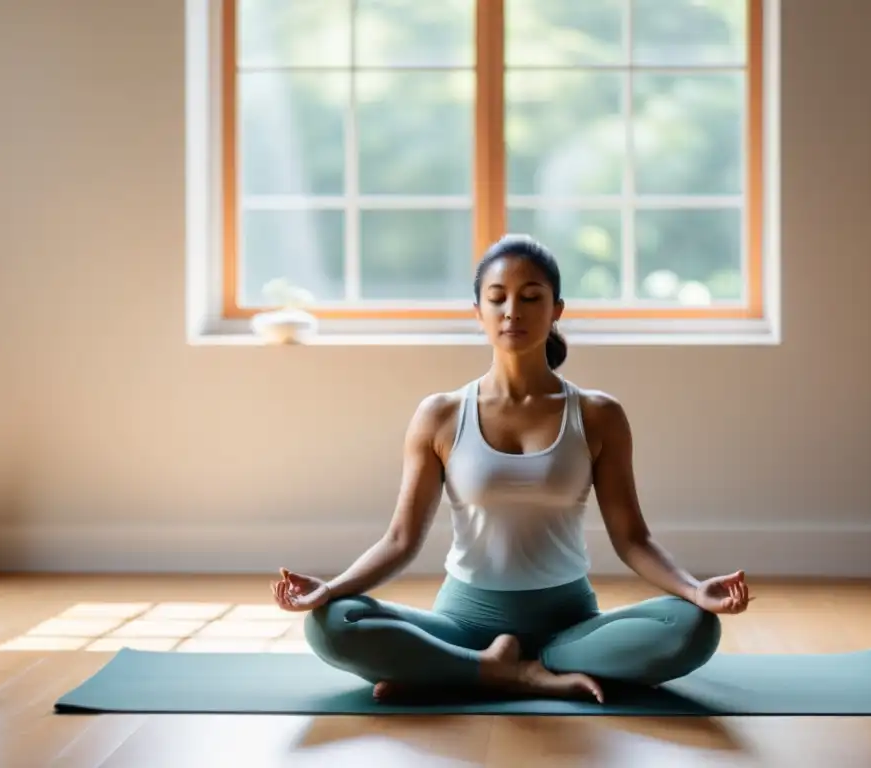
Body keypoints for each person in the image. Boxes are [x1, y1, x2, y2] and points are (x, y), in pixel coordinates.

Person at [271, 234, 752, 704]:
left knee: (691, 627)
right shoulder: (440, 414)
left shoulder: (599, 414)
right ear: (477, 312)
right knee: (333, 624)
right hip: (462, 624)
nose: (512, 311)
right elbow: (400, 540)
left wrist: (693, 588)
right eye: (497, 298)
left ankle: (450, 673)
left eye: (530, 297)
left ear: (557, 309)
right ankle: (507, 672)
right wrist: (330, 589)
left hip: (568, 628)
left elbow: (633, 539)